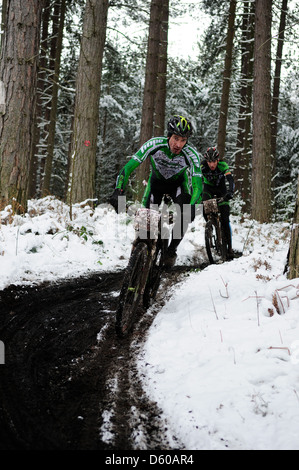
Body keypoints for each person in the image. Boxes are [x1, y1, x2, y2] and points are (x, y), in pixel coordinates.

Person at [109, 115, 203, 267]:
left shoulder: (191, 155)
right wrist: (118, 190)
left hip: (178, 186)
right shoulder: (154, 144)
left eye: (183, 140)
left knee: (184, 214)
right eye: (176, 138)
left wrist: (192, 206)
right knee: (144, 224)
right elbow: (129, 167)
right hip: (156, 184)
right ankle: (138, 257)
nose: (179, 144)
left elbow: (198, 185)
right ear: (168, 136)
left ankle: (171, 251)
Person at [201, 147, 235, 258]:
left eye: (214, 162)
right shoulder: (202, 167)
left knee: (225, 219)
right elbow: (195, 180)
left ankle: (229, 247)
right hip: (208, 189)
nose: (211, 164)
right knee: (204, 205)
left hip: (221, 190)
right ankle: (210, 226)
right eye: (209, 162)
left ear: (218, 160)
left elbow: (230, 179)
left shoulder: (223, 166)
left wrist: (230, 192)